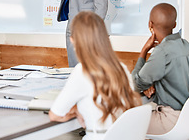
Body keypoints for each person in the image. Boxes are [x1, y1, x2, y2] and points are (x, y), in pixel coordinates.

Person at [49, 11, 141, 139]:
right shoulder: (122, 69)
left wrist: (75, 111)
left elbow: (55, 114)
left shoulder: (82, 71)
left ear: (74, 41)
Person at [132, 3, 189, 135]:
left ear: (150, 24)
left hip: (171, 120)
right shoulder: (186, 45)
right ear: (174, 24)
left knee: (123, 122)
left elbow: (135, 83)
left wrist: (144, 51)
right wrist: (150, 84)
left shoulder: (162, 51)